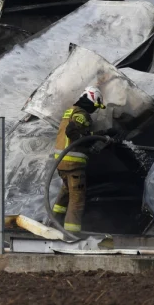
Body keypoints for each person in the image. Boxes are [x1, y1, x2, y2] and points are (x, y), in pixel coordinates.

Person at [52, 85, 106, 234]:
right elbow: (72, 131)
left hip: (61, 162)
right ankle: (71, 234)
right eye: (96, 106)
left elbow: (82, 131)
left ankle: (53, 225)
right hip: (73, 164)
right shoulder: (82, 114)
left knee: (65, 195)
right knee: (77, 200)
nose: (95, 110)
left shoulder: (71, 111)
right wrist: (86, 141)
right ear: (90, 101)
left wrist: (101, 133)